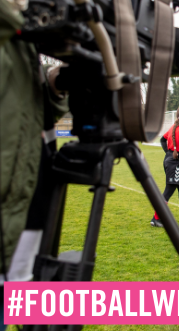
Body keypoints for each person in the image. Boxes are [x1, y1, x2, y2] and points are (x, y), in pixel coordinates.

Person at [1, 0, 68, 327]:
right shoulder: (16, 25)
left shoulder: (21, 37)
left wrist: (54, 85)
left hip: (27, 204)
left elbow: (31, 112)